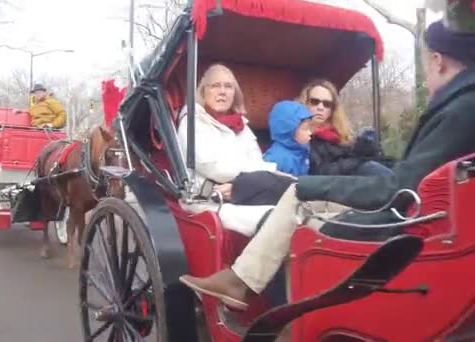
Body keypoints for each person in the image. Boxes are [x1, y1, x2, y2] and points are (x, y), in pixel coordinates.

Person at [179, 17, 475, 310]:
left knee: (298, 205)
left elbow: (395, 186)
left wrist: (317, 180)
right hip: (417, 212)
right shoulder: (459, 108)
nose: (319, 110)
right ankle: (253, 291)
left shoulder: (459, 111)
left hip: (409, 218)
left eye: (228, 86)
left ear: (437, 61)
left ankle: (283, 312)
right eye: (215, 86)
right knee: (298, 196)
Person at [176, 63, 294, 236]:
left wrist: (245, 183)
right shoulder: (192, 122)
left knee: (294, 213)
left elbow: (256, 160)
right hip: (208, 199)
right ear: (203, 91)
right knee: (275, 221)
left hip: (243, 192)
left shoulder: (242, 126)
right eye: (215, 86)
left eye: (228, 86)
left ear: (235, 93)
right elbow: (214, 168)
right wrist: (261, 175)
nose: (222, 91)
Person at [298, 79, 393, 177]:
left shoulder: (338, 133)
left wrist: (366, 151)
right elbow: (320, 172)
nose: (320, 107)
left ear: (332, 109)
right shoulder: (300, 136)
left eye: (327, 104)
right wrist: (357, 159)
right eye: (315, 102)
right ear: (305, 103)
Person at [262, 101, 313, 176]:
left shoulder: (300, 150)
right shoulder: (277, 160)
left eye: (309, 128)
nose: (310, 132)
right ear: (288, 130)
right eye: (305, 129)